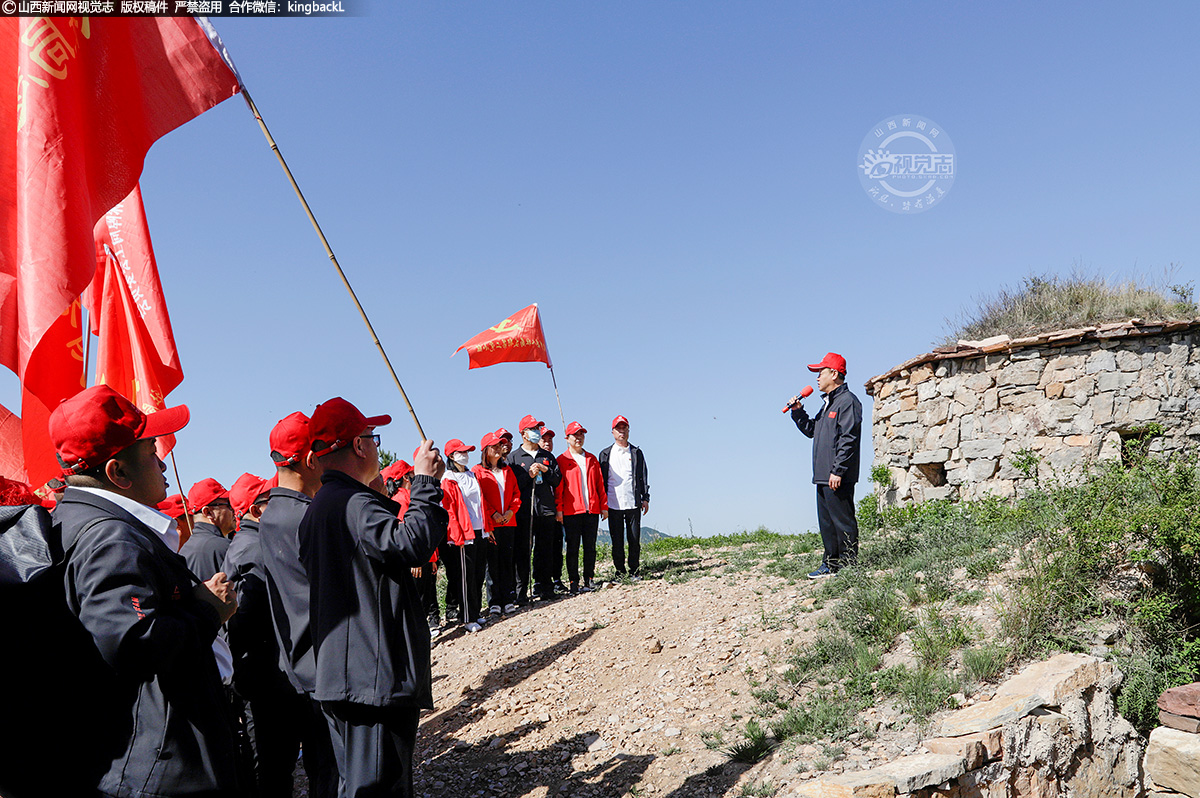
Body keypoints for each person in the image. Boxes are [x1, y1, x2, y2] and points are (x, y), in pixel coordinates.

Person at [49, 385, 240, 796]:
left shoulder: (79, 521)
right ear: (118, 472)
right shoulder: (111, 539)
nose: (163, 463)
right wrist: (208, 611)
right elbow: (134, 643)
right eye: (152, 452)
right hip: (160, 769)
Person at [300, 397, 447, 798]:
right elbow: (412, 544)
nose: (377, 447)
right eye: (372, 437)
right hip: (372, 679)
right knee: (378, 788)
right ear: (360, 446)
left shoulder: (321, 507)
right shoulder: (353, 504)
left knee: (360, 784)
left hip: (349, 675)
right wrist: (427, 484)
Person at [258, 411, 340, 798]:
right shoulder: (307, 518)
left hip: (300, 669)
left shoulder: (273, 514)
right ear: (312, 460)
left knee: (322, 767)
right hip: (326, 667)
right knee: (333, 771)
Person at [223, 472, 302, 798]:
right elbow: (249, 621)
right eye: (274, 502)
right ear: (256, 511)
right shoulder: (255, 550)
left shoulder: (248, 544)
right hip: (266, 678)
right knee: (273, 768)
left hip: (261, 674)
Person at [789, 352, 863, 578]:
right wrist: (798, 412)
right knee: (827, 524)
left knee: (843, 521)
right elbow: (813, 431)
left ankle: (849, 567)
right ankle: (831, 564)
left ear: (834, 373)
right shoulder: (827, 404)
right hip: (822, 475)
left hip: (838, 475)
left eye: (820, 372)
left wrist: (838, 470)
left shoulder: (848, 401)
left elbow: (848, 438)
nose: (817, 378)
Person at [508, 415, 562, 602]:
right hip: (525, 512)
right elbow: (512, 486)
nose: (537, 432)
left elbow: (557, 480)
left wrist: (546, 471)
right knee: (523, 552)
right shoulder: (513, 458)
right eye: (533, 429)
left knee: (545, 550)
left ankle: (545, 587)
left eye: (538, 428)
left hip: (545, 509)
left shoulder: (547, 456)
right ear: (523, 433)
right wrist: (528, 476)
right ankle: (521, 592)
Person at [441, 439, 491, 631]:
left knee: (478, 574)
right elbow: (450, 510)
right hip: (464, 533)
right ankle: (467, 617)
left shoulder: (472, 475)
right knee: (465, 576)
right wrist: (456, 536)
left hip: (480, 529)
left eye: (467, 451)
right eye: (461, 452)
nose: (465, 455)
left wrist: (487, 529)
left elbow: (480, 502)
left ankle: (476, 612)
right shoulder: (448, 479)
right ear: (452, 456)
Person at [555, 421, 607, 593]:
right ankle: (573, 582)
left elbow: (600, 483)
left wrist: (603, 505)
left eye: (581, 434)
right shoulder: (562, 460)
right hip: (571, 511)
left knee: (590, 546)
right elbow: (559, 488)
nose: (578, 438)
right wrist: (559, 509)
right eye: (575, 435)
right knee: (572, 548)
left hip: (591, 509)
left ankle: (589, 579)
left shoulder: (591, 459)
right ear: (567, 438)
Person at [473, 431, 521, 615]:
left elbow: (517, 493)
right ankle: (494, 601)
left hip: (508, 521)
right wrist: (492, 514)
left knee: (507, 561)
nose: (499, 448)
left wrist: (510, 511)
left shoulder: (507, 470)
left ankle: (508, 599)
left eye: (499, 445)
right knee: (492, 564)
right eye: (494, 446)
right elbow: (479, 498)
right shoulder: (477, 472)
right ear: (485, 450)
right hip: (491, 524)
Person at [599, 415, 650, 579]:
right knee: (617, 541)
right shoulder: (605, 454)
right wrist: (603, 504)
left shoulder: (636, 452)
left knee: (634, 539)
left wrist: (645, 497)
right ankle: (620, 572)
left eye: (624, 428)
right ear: (612, 432)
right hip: (613, 504)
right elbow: (600, 480)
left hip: (633, 503)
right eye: (618, 428)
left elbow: (643, 475)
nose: (622, 431)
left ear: (628, 430)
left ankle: (634, 571)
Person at [181, 477, 236, 579]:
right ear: (208, 512)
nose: (234, 510)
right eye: (229, 505)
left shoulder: (185, 550)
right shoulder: (222, 547)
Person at [537, 427, 568, 594]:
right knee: (541, 550)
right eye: (544, 439)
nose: (547, 442)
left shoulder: (553, 460)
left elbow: (559, 485)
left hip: (556, 510)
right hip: (541, 511)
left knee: (556, 547)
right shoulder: (535, 459)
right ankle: (540, 582)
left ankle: (556, 579)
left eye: (550, 440)